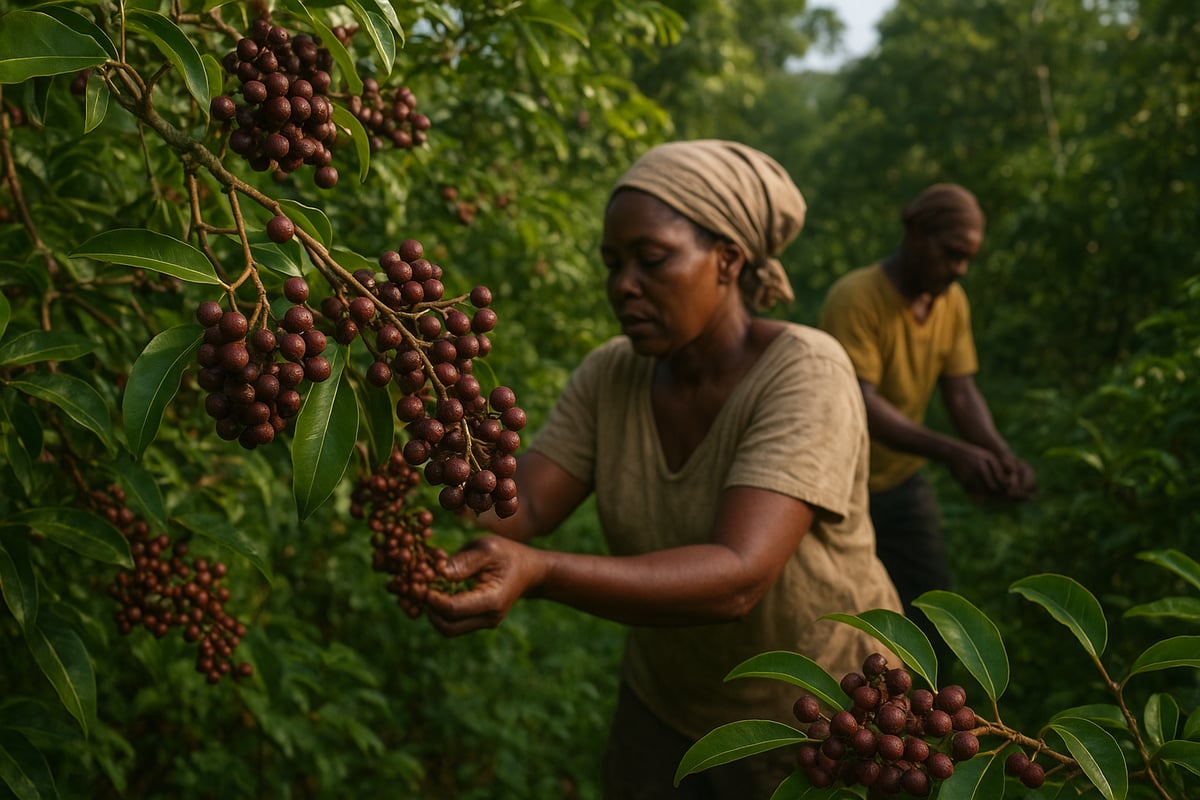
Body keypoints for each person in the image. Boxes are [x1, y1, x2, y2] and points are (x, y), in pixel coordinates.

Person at [424, 139, 902, 800]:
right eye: (613, 264)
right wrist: (420, 429)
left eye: (651, 260)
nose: (624, 286)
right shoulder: (612, 373)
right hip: (665, 703)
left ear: (728, 260)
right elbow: (523, 507)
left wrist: (542, 573)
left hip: (814, 718)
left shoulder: (804, 371)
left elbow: (738, 575)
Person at [818, 182, 1036, 648]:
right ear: (915, 232)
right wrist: (953, 453)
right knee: (845, 617)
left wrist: (999, 453)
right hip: (840, 488)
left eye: (967, 259)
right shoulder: (857, 298)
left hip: (902, 483)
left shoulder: (951, 303)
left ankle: (933, 712)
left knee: (935, 616)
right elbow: (861, 405)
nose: (958, 269)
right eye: (951, 253)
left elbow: (961, 392)